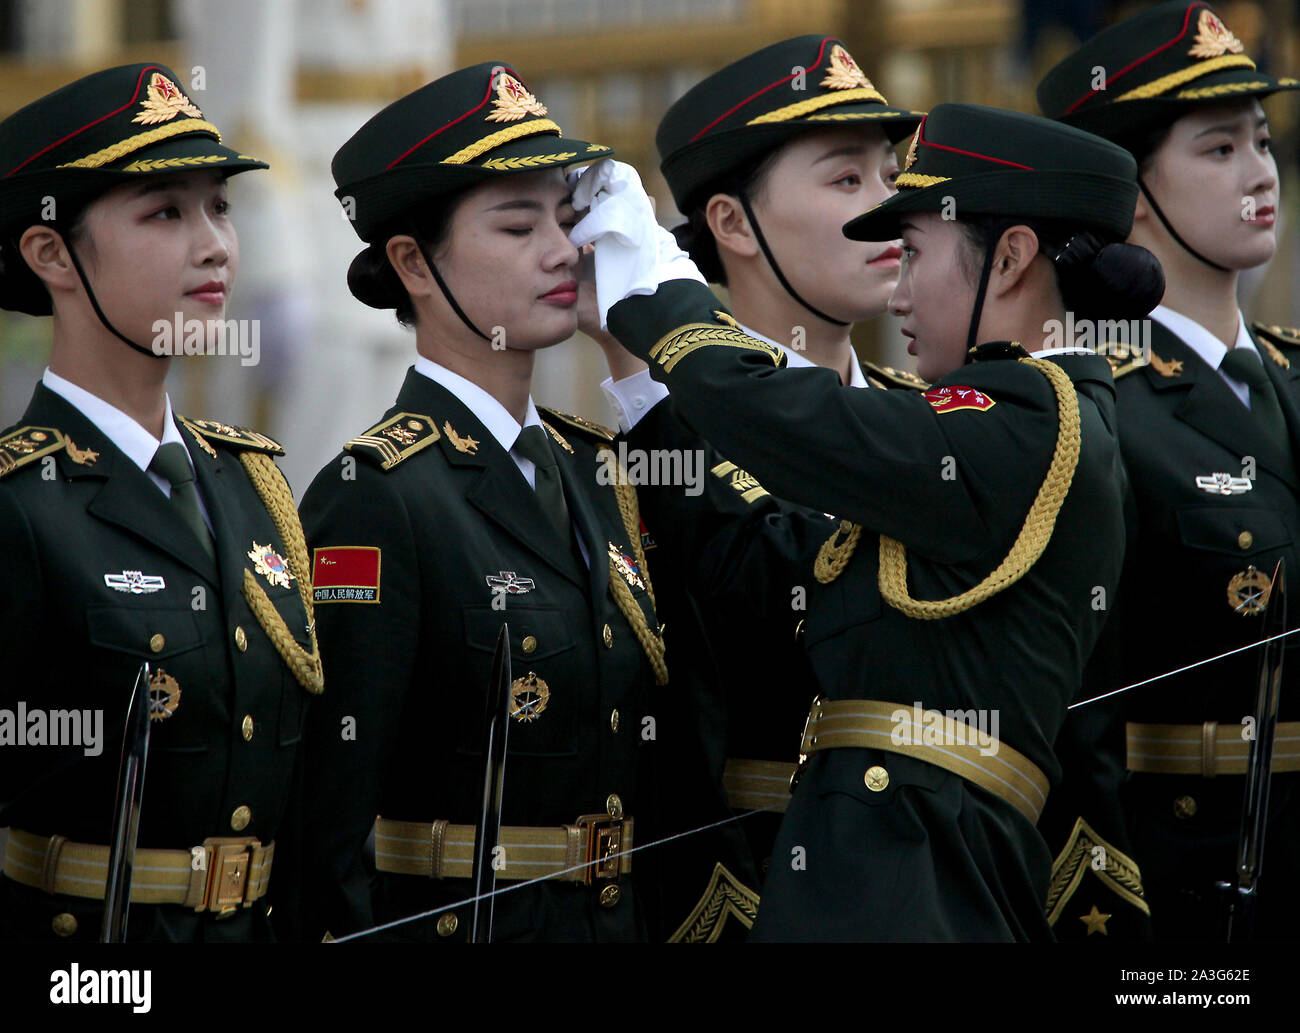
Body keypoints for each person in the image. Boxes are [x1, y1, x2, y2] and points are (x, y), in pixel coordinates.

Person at [572, 101, 1165, 940]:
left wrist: (655, 288)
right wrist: (643, 380)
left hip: (918, 885)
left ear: (1012, 260)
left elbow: (789, 418)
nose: (900, 286)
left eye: (918, 252)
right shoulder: (1006, 433)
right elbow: (771, 560)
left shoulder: (1029, 417)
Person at [297, 62, 672, 943]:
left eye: (563, 217)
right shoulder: (376, 499)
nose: (562, 250)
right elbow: (326, 828)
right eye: (516, 224)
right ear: (413, 263)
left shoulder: (592, 467)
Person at [587, 34, 925, 939]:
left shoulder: (928, 422)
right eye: (846, 181)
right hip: (751, 895)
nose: (888, 208)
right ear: (734, 225)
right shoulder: (660, 440)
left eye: (890, 177)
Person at [0, 63, 320, 943]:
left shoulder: (250, 484)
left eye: (219, 206)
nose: (215, 242)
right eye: (165, 212)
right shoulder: (20, 509)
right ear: (52, 252)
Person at [1038, 0, 1300, 940]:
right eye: (1219, 149)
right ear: (1134, 192)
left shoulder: (1289, 373)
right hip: (1188, 882)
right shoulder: (1095, 403)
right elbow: (1076, 720)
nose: (1262, 173)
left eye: (1262, 142)